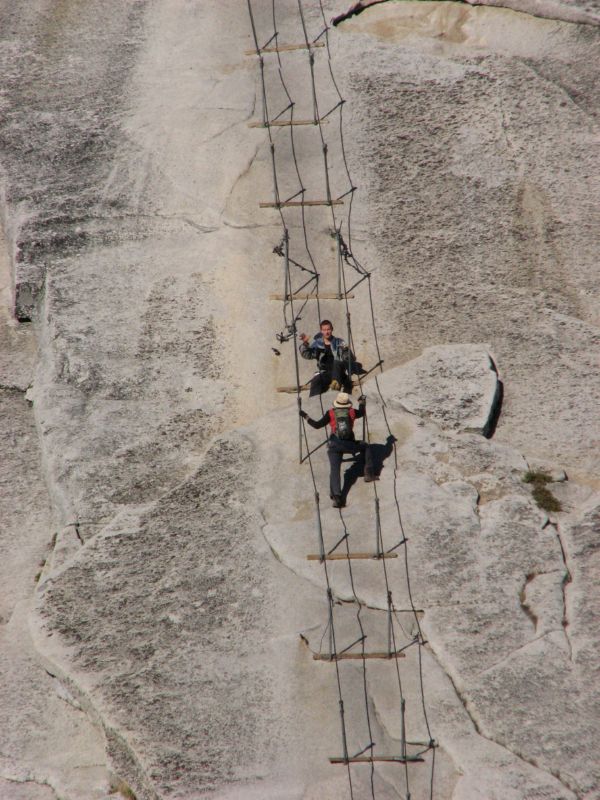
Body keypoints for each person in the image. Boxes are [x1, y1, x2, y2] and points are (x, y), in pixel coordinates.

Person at [300, 392, 375, 508]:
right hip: (350, 445)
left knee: (335, 469)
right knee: (366, 446)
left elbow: (316, 425)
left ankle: (337, 497)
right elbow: (362, 412)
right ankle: (369, 474)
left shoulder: (330, 413)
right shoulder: (352, 412)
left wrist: (305, 416)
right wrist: (361, 403)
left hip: (334, 446)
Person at [299, 319, 354, 397]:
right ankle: (314, 403)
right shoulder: (318, 344)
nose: (327, 332)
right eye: (324, 330)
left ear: (332, 329)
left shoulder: (339, 342)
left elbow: (349, 358)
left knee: (336, 362)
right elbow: (307, 355)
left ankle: (334, 391)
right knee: (316, 380)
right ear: (321, 331)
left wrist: (346, 351)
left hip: (339, 373)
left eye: (328, 329)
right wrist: (305, 343)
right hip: (325, 373)